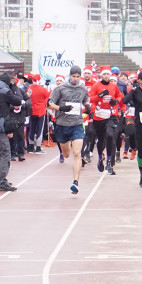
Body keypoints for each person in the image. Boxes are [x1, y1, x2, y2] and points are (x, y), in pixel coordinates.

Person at [48, 65, 90, 194]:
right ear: (69, 76)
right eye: (74, 76)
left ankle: (75, 183)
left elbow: (86, 99)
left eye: (78, 76)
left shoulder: (83, 88)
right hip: (62, 124)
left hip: (77, 124)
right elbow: (49, 104)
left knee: (77, 154)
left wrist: (87, 106)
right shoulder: (60, 89)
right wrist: (61, 108)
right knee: (66, 154)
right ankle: (65, 150)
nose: (76, 79)